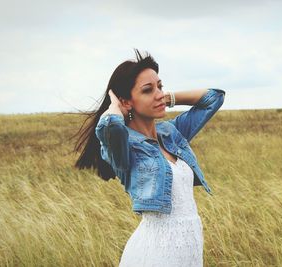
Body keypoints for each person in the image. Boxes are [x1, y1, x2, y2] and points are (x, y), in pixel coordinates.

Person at [74, 49, 225, 266]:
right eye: (148, 90)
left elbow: (214, 98)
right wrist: (115, 107)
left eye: (160, 86)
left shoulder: (172, 132)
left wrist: (168, 98)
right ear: (127, 102)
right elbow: (110, 126)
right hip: (155, 254)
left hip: (190, 248)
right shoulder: (124, 147)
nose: (158, 94)